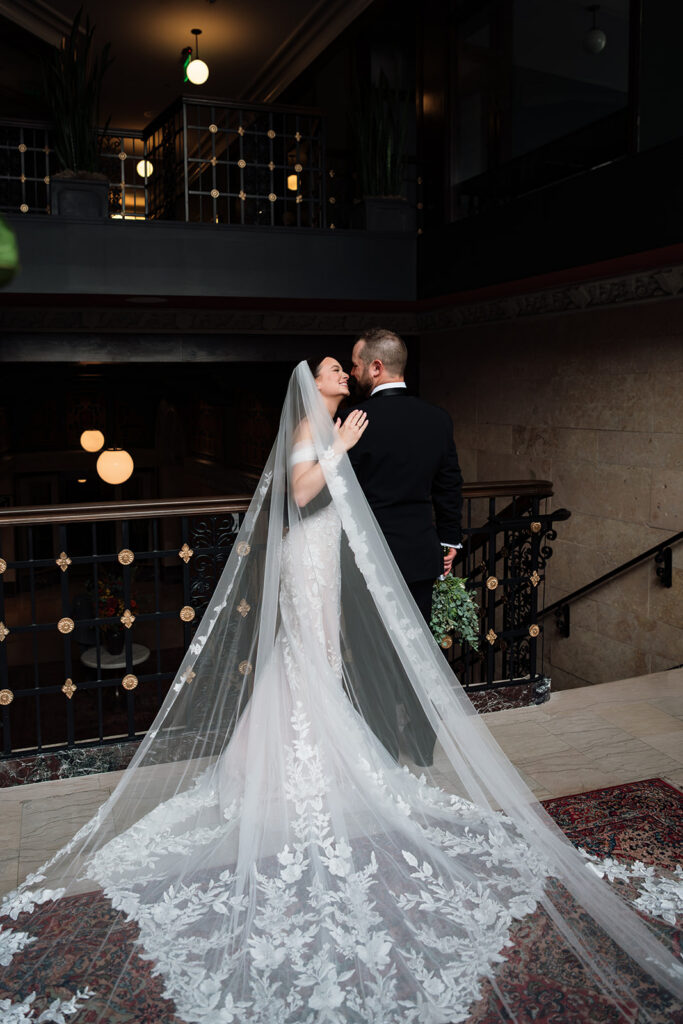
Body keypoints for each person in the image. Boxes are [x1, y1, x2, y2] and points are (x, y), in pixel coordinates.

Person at [0, 359, 680, 1024]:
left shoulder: (330, 423)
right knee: (308, 660)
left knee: (317, 662)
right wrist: (343, 447)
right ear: (313, 383)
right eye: (333, 369)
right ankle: (280, 765)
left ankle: (274, 759)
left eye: (343, 368)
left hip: (327, 553)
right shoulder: (310, 428)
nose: (342, 375)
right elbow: (298, 496)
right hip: (309, 556)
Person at [346, 327, 463, 766]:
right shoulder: (438, 418)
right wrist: (448, 541)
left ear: (377, 367)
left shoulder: (355, 421)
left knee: (371, 652)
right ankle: (420, 745)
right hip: (418, 554)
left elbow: (340, 491)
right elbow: (449, 485)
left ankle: (381, 750)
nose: (354, 372)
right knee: (417, 649)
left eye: (357, 365)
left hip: (366, 559)